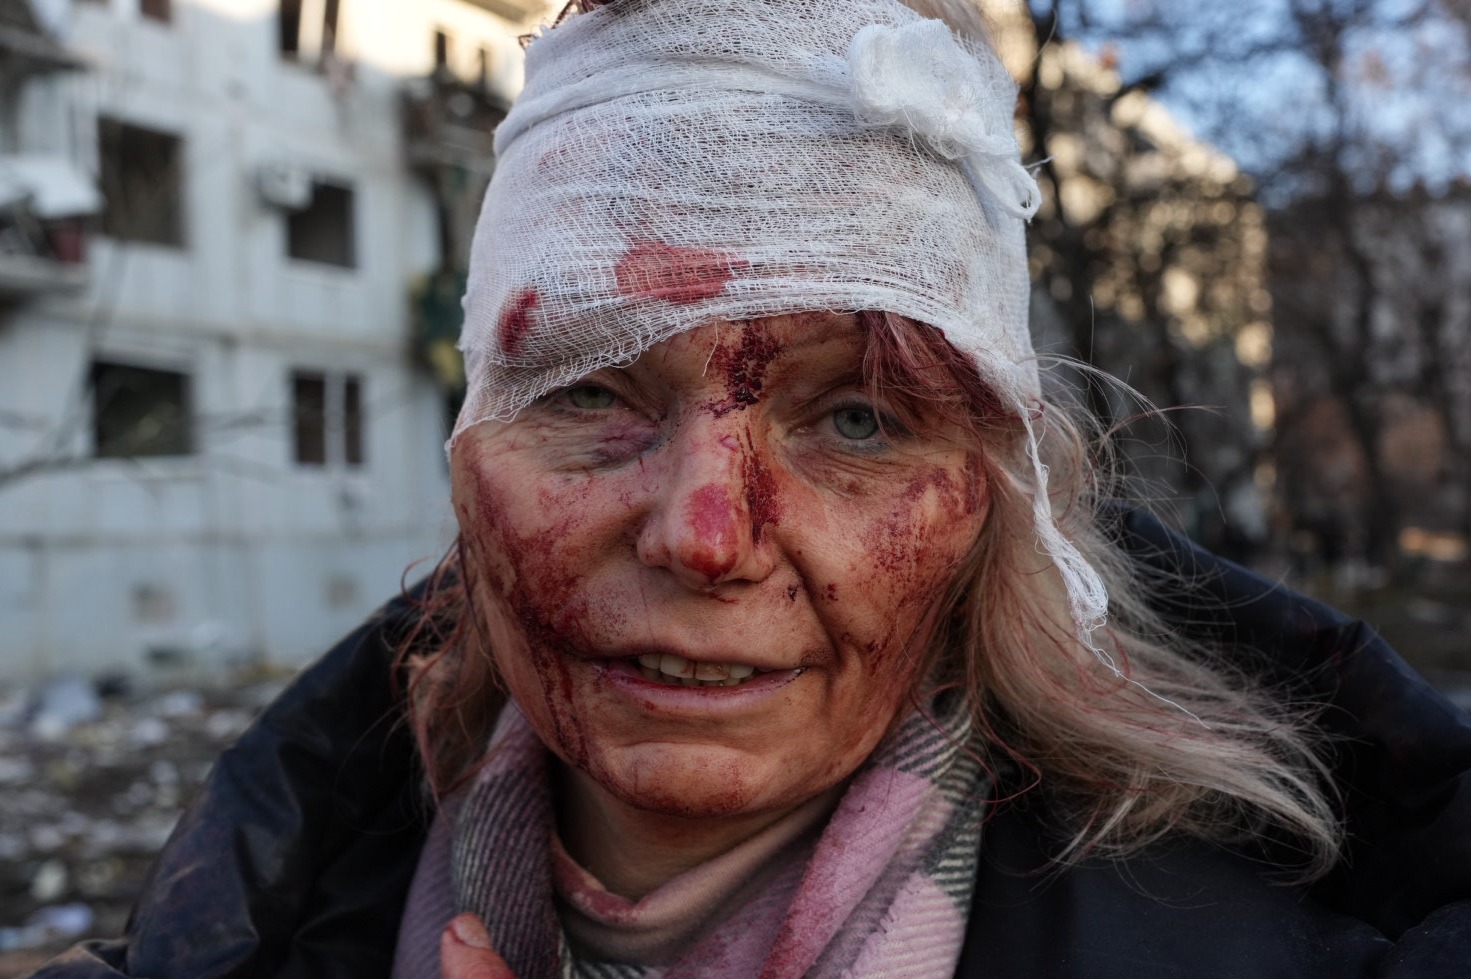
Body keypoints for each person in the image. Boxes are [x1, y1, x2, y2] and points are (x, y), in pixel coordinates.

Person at [29, 1, 1471, 977]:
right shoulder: (266, 933)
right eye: (590, 391)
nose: (706, 536)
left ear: (986, 500)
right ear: (467, 457)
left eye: (855, 418)